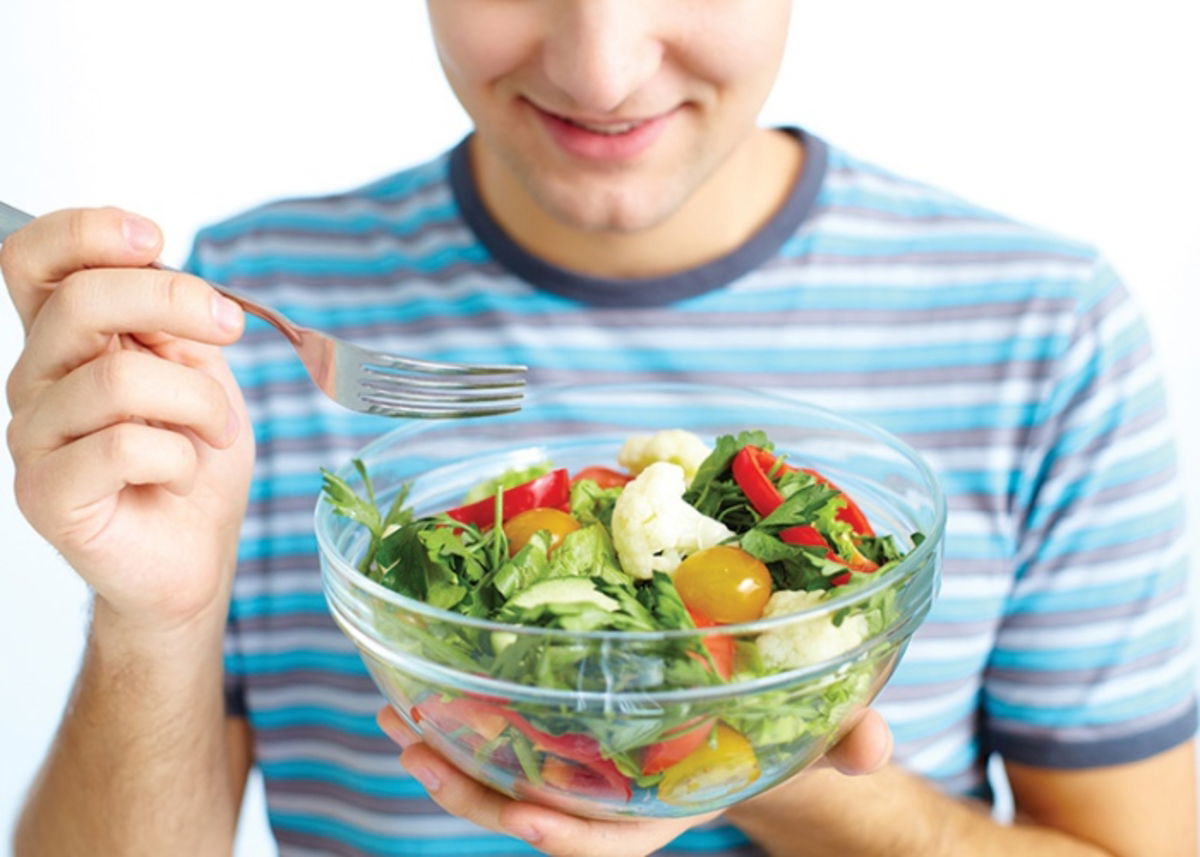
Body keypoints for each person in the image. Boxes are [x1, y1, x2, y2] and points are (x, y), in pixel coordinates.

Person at [3, 1, 1196, 855]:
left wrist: (737, 758)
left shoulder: (1047, 331)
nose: (604, 65)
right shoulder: (253, 305)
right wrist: (154, 619)